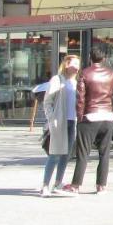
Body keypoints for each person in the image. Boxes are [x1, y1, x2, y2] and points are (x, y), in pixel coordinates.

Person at [62, 49, 113, 194]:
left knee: (83, 153)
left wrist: (80, 117)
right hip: (107, 117)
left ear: (90, 58)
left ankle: (76, 185)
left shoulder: (85, 73)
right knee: (104, 153)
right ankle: (101, 186)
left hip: (90, 116)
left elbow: (80, 98)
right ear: (104, 59)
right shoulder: (111, 74)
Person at [41, 55, 80, 197]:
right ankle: (45, 185)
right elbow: (47, 101)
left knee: (66, 154)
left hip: (72, 121)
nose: (77, 66)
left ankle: (58, 182)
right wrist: (52, 119)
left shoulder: (76, 82)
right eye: (75, 63)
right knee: (55, 153)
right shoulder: (57, 80)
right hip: (60, 121)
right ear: (67, 64)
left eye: (79, 64)